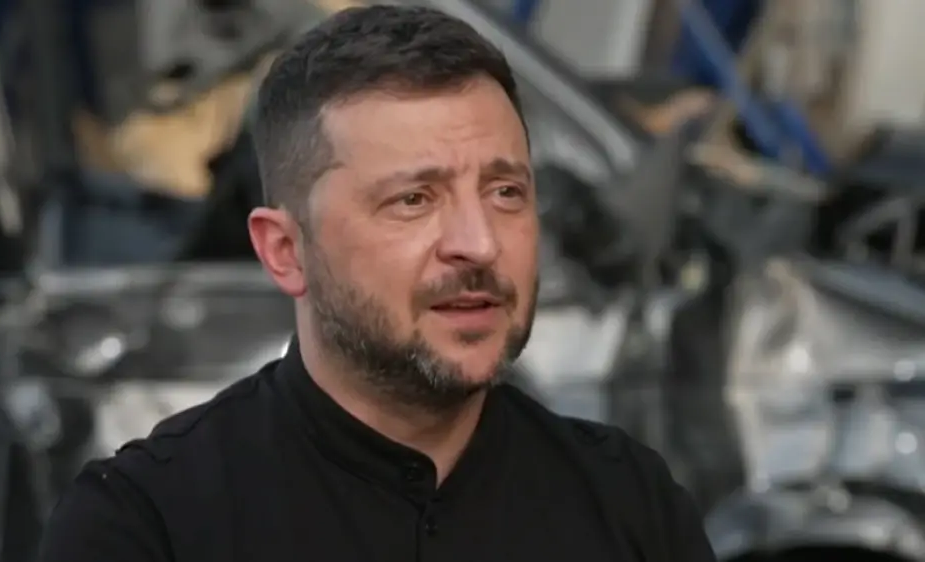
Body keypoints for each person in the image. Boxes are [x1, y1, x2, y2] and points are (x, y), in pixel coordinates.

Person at [38, 5, 717, 562]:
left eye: (505, 192)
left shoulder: (629, 504)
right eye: (413, 200)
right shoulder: (148, 525)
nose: (479, 243)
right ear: (285, 251)